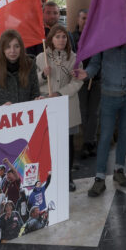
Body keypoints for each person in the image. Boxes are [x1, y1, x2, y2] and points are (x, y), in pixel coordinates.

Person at [77, 37, 126, 197]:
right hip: (108, 95)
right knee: (105, 137)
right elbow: (95, 64)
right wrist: (87, 73)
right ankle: (100, 178)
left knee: (124, 134)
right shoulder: (105, 37)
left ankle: (119, 170)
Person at [36, 24, 83, 191]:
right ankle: (50, 176)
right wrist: (43, 75)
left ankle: (68, 177)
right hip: (47, 106)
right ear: (51, 39)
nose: (61, 40)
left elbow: (77, 82)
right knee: (48, 144)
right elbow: (33, 81)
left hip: (67, 105)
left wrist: (60, 93)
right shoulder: (41, 57)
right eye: (57, 36)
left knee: (67, 144)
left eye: (64, 36)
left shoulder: (75, 58)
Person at [0, 29, 41, 108]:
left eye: (16, 46)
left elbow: (35, 94)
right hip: (1, 118)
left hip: (26, 117)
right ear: (2, 49)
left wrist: (37, 101)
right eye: (8, 47)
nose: (12, 51)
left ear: (21, 47)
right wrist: (0, 108)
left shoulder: (30, 66)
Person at [73, 8, 101, 159]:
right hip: (79, 82)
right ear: (78, 20)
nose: (85, 21)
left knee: (94, 113)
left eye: (88, 19)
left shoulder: (97, 36)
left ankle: (91, 142)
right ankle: (86, 141)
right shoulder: (72, 37)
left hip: (95, 80)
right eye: (83, 18)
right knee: (83, 113)